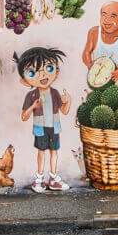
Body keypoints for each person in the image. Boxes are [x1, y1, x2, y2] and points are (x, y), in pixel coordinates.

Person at [16, 47, 71, 193]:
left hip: (54, 126)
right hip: (40, 128)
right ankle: (39, 178)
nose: (43, 74)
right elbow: (24, 116)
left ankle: (53, 178)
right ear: (25, 81)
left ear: (56, 72)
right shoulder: (32, 96)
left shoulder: (54, 93)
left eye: (48, 67)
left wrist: (68, 101)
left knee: (54, 152)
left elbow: (64, 111)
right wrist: (33, 106)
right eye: (33, 72)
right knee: (41, 152)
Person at [82, 1, 118, 86]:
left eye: (113, 16)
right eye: (104, 15)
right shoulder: (94, 32)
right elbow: (86, 52)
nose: (107, 20)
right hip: (99, 84)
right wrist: (90, 66)